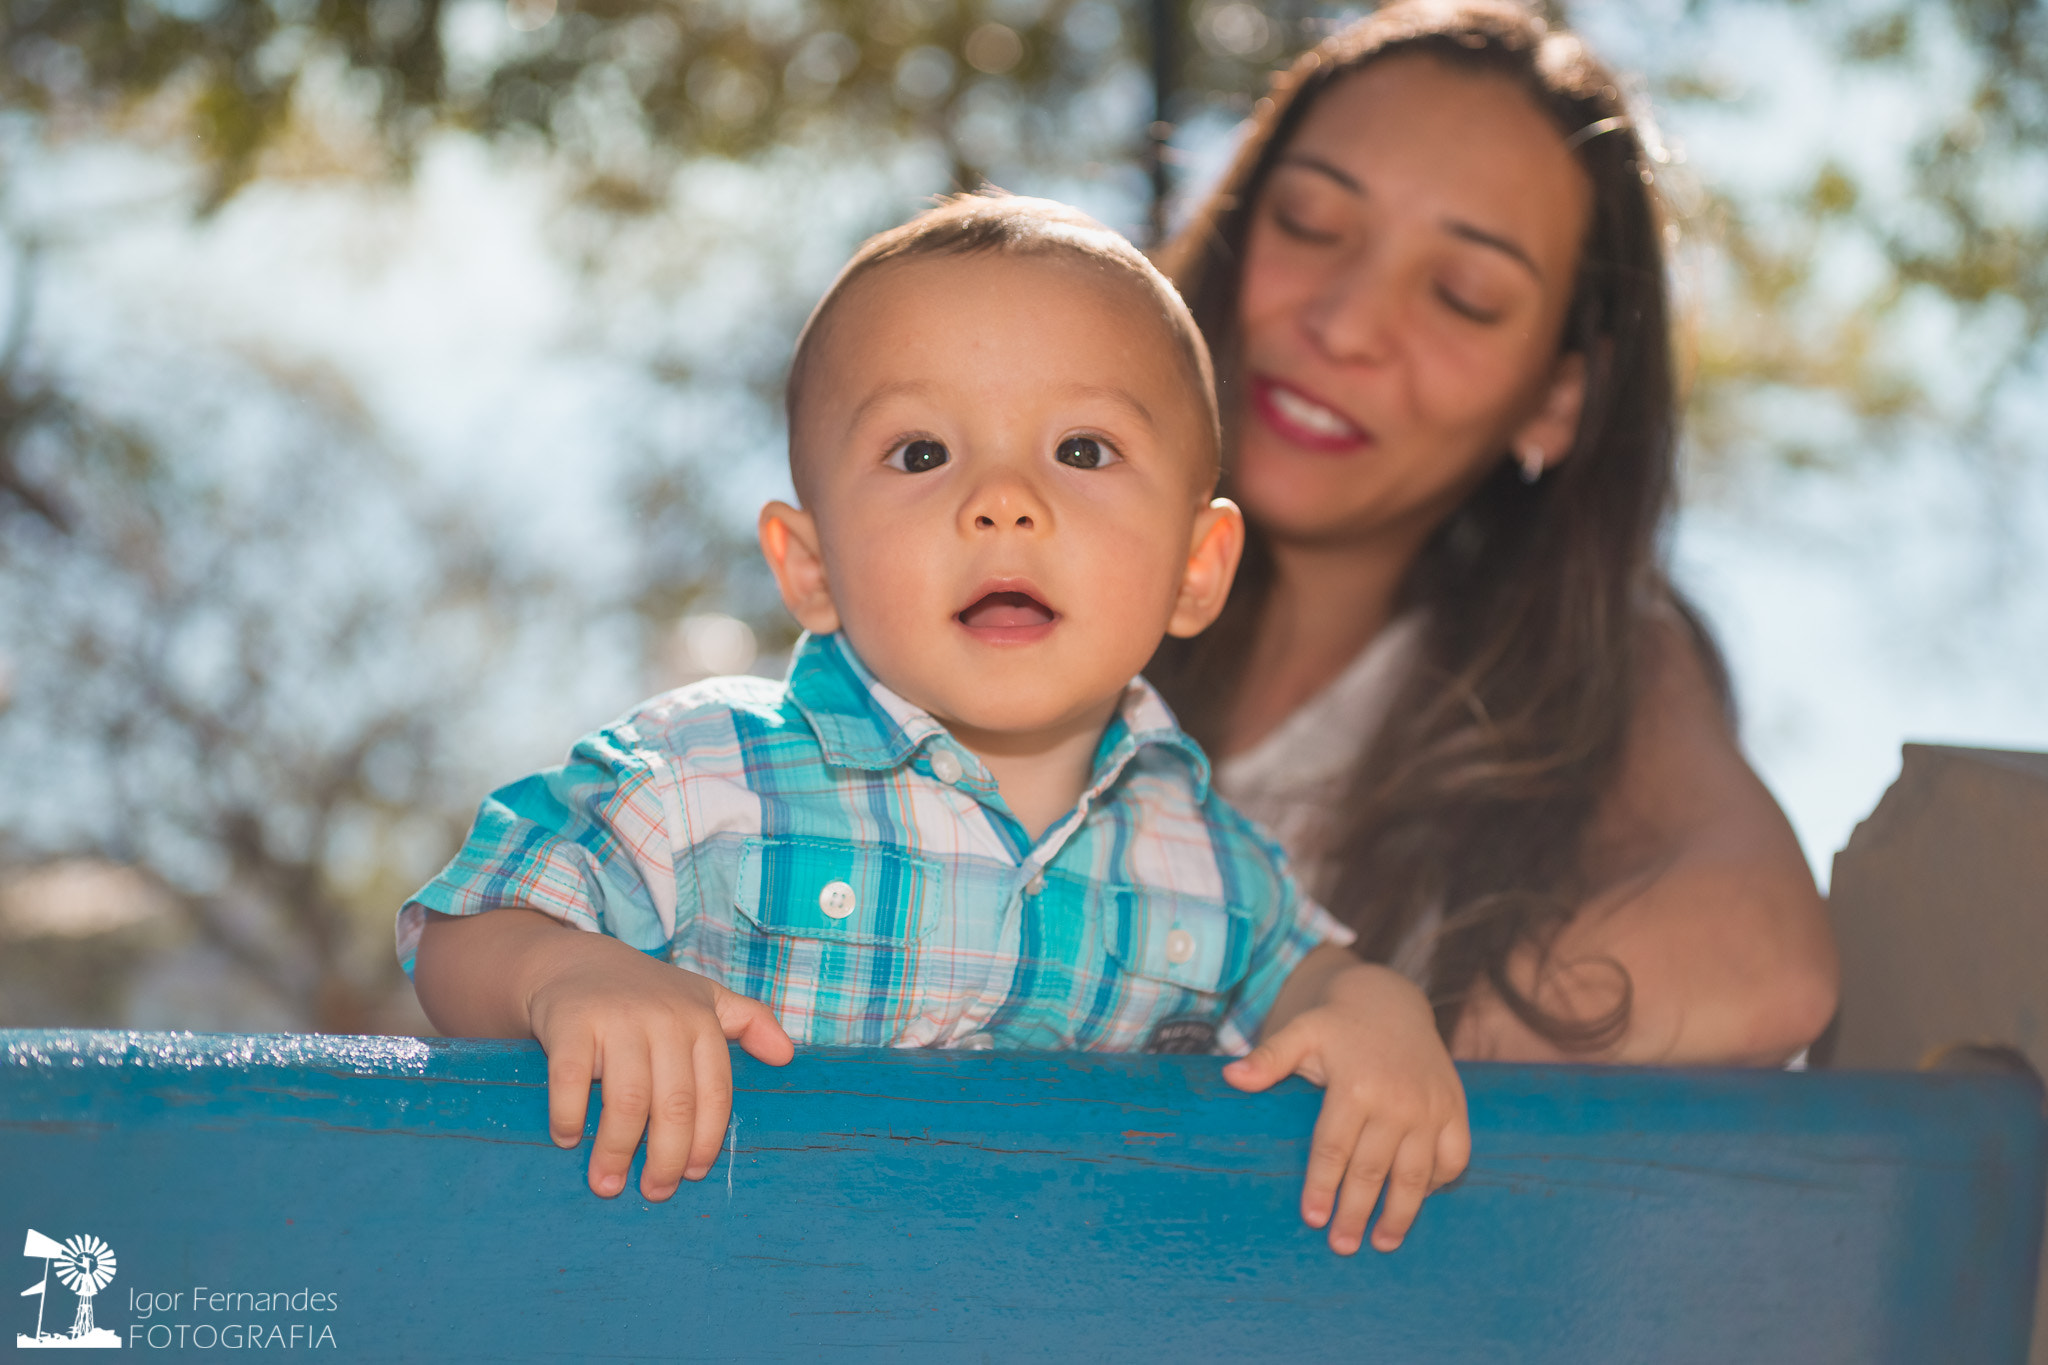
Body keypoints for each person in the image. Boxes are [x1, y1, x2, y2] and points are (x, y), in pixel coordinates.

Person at [402, 195, 1470, 1256]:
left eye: (1082, 451)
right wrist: (565, 977)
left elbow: (1312, 976)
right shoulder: (704, 778)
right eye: (920, 455)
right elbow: (466, 927)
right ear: (809, 568)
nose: (1003, 501)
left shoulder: (1203, 858)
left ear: (1195, 570)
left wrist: (1373, 1009)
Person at [1147, 0, 1839, 1065]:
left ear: (1556, 398)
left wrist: (1375, 1069)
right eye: (1308, 224)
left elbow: (1765, 962)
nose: (1344, 323)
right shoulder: (1005, 550)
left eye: (1462, 296)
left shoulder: (1593, 672)